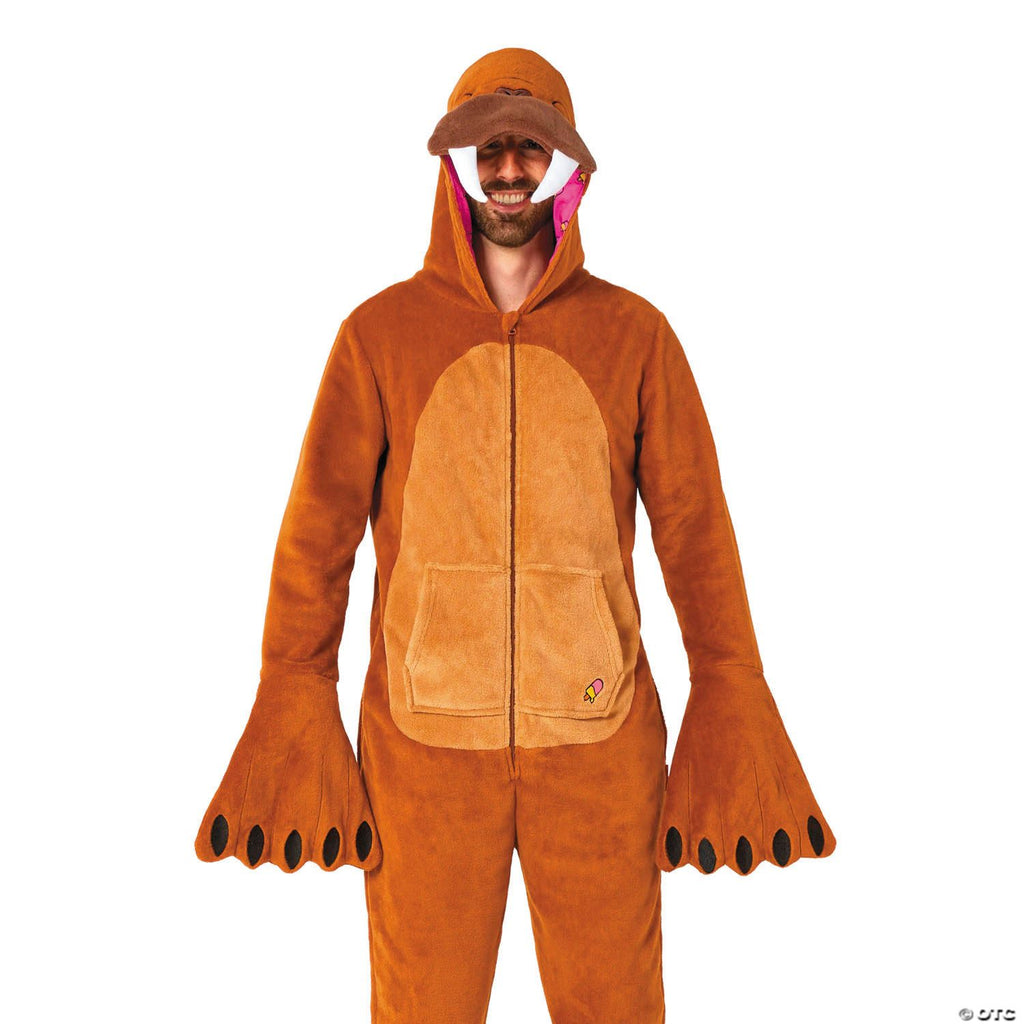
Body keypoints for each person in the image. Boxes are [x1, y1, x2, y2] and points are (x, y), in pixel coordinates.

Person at [195, 46, 837, 1023]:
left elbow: (696, 531)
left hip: (600, 745)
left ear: (562, 165)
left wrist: (729, 686)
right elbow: (316, 537)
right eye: (487, 148)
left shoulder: (635, 335)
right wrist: (294, 688)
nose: (506, 169)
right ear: (455, 163)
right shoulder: (378, 336)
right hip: (422, 752)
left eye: (529, 149)